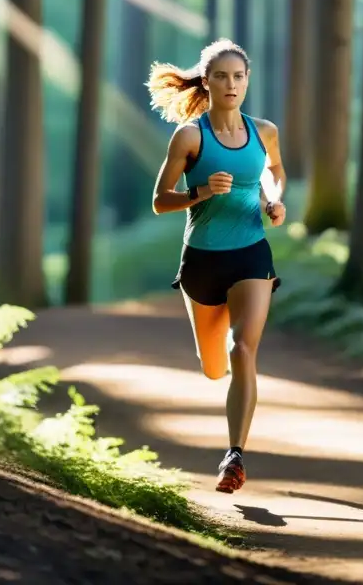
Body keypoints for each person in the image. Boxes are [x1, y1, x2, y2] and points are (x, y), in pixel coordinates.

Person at [148, 38, 287, 494]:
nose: (231, 84)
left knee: (242, 349)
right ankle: (221, 379)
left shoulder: (264, 131)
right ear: (206, 82)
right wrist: (199, 193)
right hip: (202, 262)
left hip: (251, 253)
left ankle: (234, 456)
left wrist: (273, 201)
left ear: (248, 81)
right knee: (213, 367)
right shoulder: (190, 136)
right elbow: (158, 201)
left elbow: (274, 172)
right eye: (222, 77)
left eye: (239, 76)